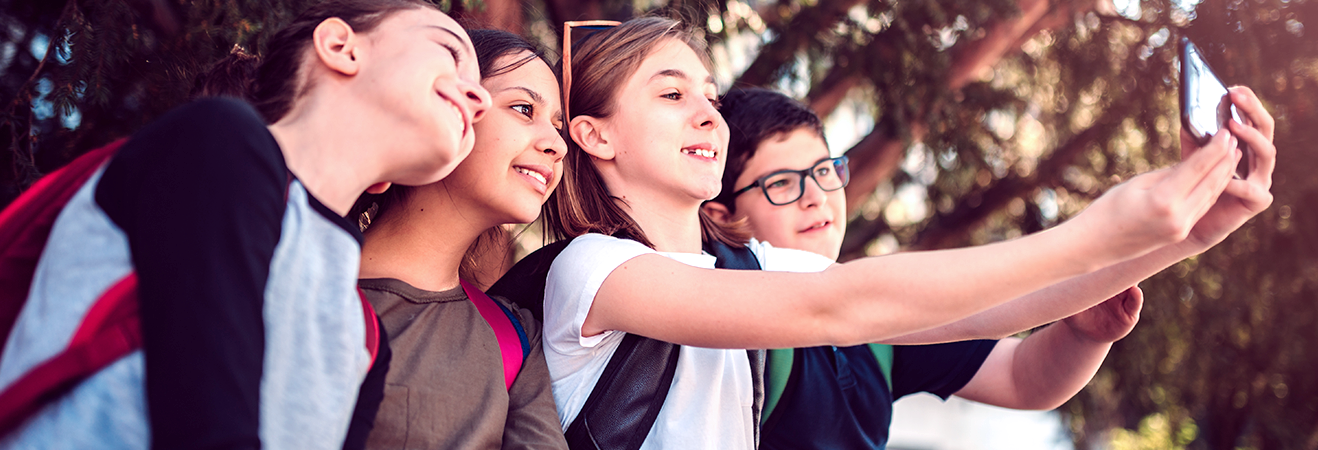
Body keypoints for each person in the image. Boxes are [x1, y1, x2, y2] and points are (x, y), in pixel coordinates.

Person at [534, 15, 1276, 449]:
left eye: (706, 92)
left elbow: (981, 311)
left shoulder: (753, 268)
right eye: (671, 93)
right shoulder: (594, 268)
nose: (707, 112)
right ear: (594, 136)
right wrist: (1099, 231)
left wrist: (1192, 235)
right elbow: (843, 307)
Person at [0, 1, 491, 449]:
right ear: (341, 47)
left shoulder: (366, 338)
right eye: (449, 51)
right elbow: (204, 413)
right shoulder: (216, 142)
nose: (480, 99)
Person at [703, 87, 1148, 449]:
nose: (816, 195)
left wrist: (1085, 335)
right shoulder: (722, 304)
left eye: (823, 171)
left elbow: (1021, 378)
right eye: (781, 183)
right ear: (722, 217)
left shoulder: (881, 324)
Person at [351, 29, 567, 449]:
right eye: (524, 109)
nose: (557, 144)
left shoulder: (515, 335)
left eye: (557, 125)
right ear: (443, 112)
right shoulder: (287, 291)